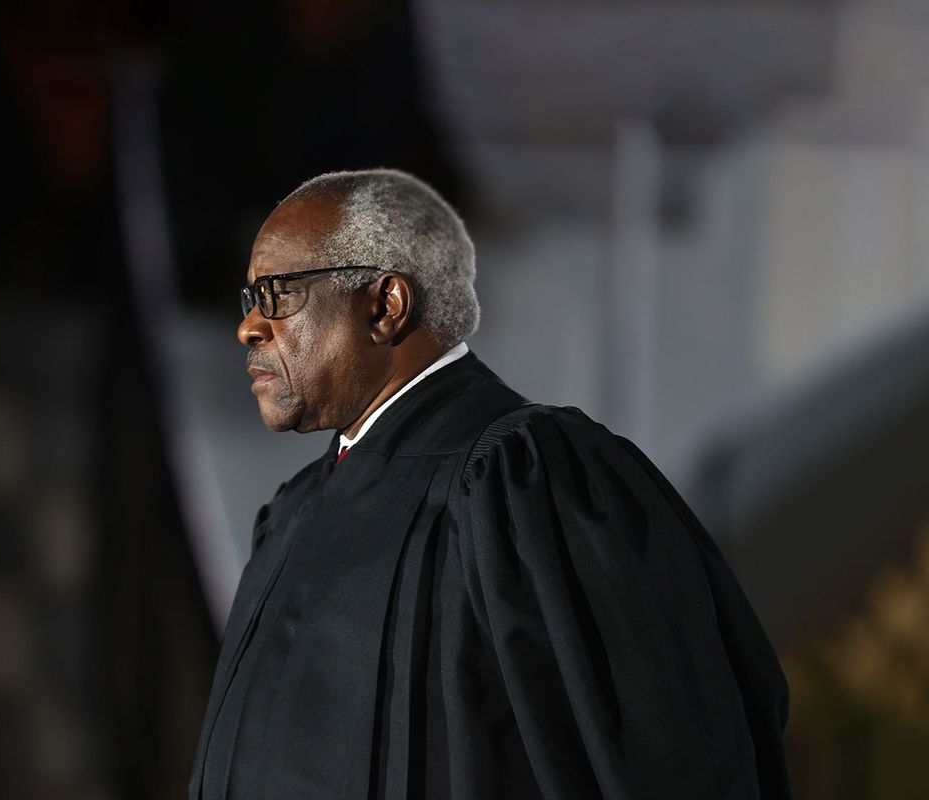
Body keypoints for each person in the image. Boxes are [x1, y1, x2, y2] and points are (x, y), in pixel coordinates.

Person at [190, 169, 791, 800]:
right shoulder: (293, 513)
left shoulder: (525, 480)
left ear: (385, 305)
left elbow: (669, 760)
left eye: (276, 294)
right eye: (249, 298)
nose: (249, 327)